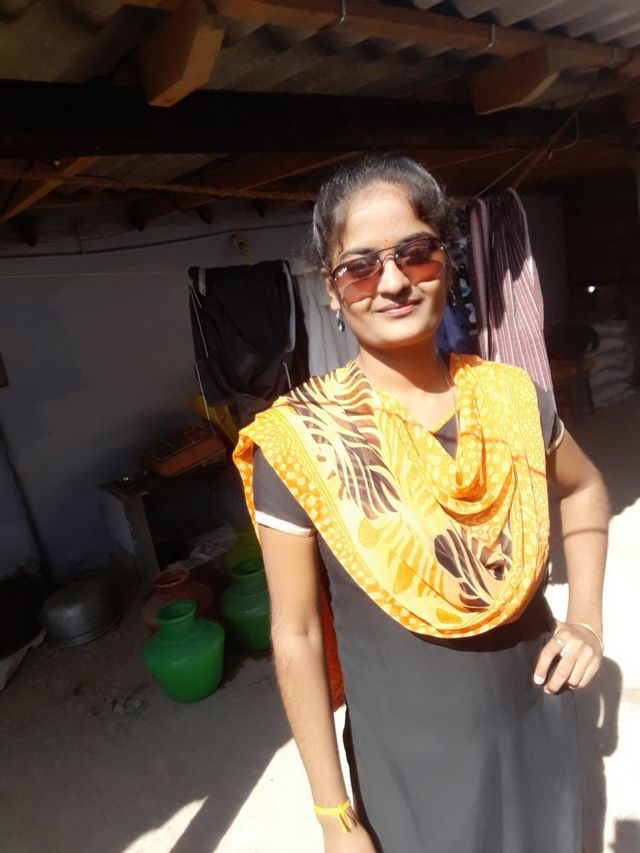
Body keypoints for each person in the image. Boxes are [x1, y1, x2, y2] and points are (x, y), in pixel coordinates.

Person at [233, 156, 609, 853]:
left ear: (446, 260)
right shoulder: (304, 442)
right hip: (410, 760)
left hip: (538, 719)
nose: (394, 282)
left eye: (415, 252)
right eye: (360, 267)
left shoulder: (510, 399)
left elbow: (585, 488)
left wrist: (585, 620)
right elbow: (298, 633)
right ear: (332, 289)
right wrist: (334, 816)